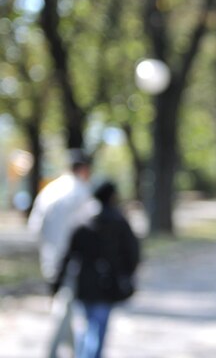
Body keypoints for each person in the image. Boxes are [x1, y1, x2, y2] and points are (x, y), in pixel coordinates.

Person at [52, 180, 140, 358]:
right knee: (97, 330)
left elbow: (68, 255)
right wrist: (127, 275)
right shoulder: (119, 222)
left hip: (84, 285)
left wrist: (57, 282)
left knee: (84, 327)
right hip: (107, 285)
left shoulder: (81, 220)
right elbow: (133, 253)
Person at [28, 149, 98, 358]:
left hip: (49, 258)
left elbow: (34, 226)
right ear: (84, 169)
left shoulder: (49, 190)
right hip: (72, 261)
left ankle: (72, 351)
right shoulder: (82, 192)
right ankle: (53, 352)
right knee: (64, 307)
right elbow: (91, 228)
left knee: (64, 306)